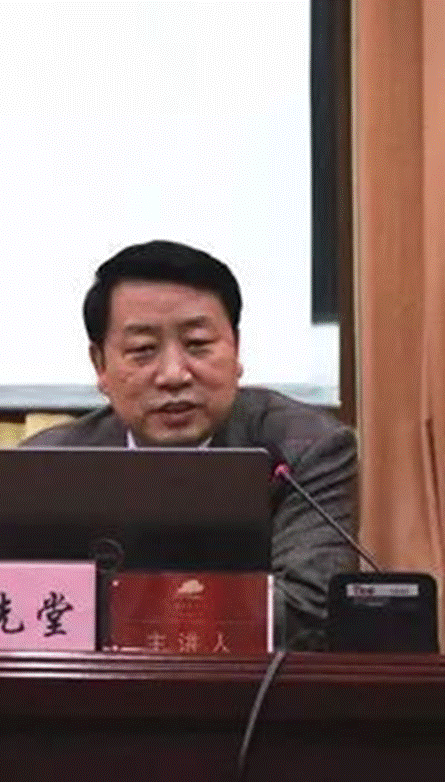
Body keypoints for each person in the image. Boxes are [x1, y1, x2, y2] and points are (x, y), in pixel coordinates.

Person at [22, 240, 358, 650]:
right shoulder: (49, 464)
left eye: (197, 344)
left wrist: (122, 615)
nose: (174, 375)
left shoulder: (305, 446)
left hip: (248, 685)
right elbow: (14, 605)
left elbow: (311, 609)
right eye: (143, 351)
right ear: (100, 366)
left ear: (236, 349)